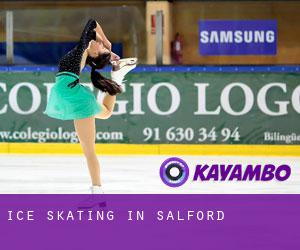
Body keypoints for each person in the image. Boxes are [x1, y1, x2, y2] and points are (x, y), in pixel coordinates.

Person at [44, 18, 137, 194]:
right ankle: (116, 77)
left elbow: (91, 23)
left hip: (74, 96)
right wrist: (106, 43)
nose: (100, 43)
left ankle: (97, 191)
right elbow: (93, 28)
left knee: (89, 149)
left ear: (94, 54)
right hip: (73, 94)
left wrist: (106, 43)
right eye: (101, 44)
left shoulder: (83, 50)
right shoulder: (83, 51)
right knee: (106, 114)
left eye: (101, 47)